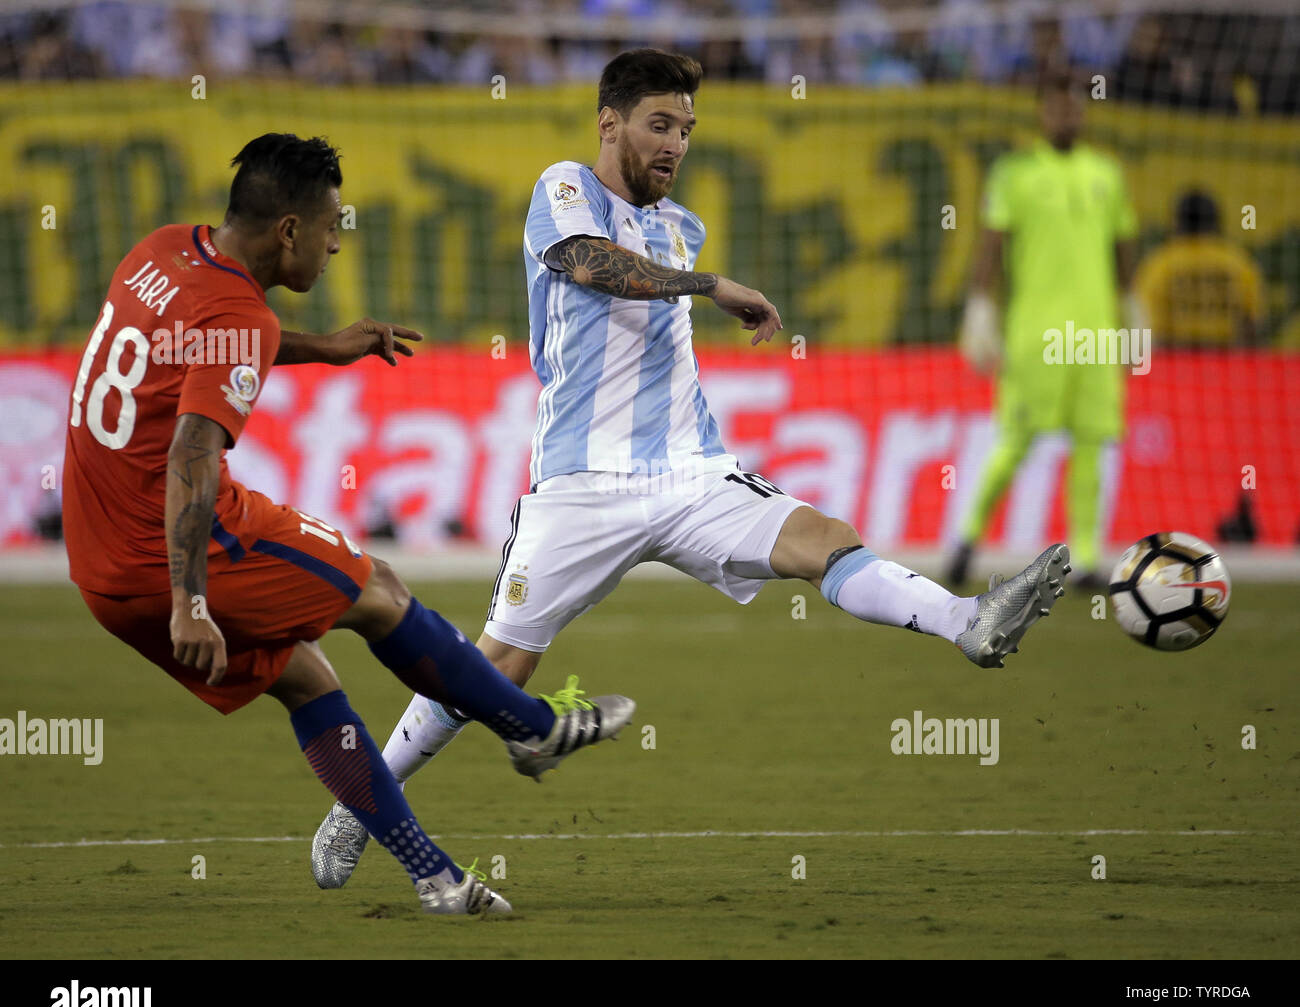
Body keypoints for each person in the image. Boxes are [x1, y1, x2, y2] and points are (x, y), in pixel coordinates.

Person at [310, 49, 1070, 889]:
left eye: (686, 129)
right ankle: (359, 806)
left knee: (825, 538)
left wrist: (699, 280)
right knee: (493, 670)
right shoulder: (565, 188)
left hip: (691, 474)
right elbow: (587, 266)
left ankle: (967, 621)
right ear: (611, 123)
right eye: (659, 125)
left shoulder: (683, 224)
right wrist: (709, 285)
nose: (675, 144)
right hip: (582, 484)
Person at [62, 132, 634, 917]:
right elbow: (192, 452)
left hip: (96, 560)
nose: (336, 244)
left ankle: (436, 879)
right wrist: (189, 600)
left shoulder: (162, 252)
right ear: (289, 229)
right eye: (331, 226)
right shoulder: (238, 312)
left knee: (307, 679)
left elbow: (211, 346)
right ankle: (530, 726)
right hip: (176, 542)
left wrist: (323, 349)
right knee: (380, 594)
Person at [947, 66, 1140, 592]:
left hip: (1097, 334)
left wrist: (1132, 307)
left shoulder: (1107, 172)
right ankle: (965, 539)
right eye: (1057, 105)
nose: (1067, 113)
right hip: (1036, 335)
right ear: (1041, 112)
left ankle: (1088, 557)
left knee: (1092, 442)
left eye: (1076, 105)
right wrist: (980, 309)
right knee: (1016, 441)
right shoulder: (1013, 173)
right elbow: (990, 245)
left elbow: (1123, 246)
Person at [1135, 190, 1263, 349]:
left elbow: (1148, 322)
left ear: (1177, 222)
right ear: (1217, 220)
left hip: (1175, 358)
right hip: (1226, 359)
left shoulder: (1161, 264)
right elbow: (1251, 322)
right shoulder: (1238, 262)